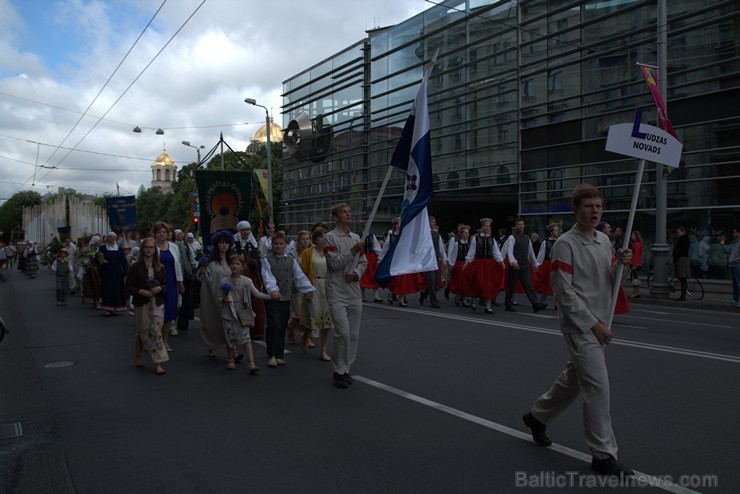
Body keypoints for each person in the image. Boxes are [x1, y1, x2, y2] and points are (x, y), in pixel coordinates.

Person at [522, 183, 634, 477]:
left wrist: (623, 266)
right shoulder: (565, 244)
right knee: (597, 387)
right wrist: (593, 324)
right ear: (576, 210)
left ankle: (537, 416)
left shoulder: (604, 241)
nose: (595, 211)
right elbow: (564, 293)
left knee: (573, 379)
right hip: (579, 325)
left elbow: (609, 280)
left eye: (598, 206)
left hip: (599, 321)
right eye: (588, 206)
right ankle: (603, 454)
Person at [323, 203, 367, 389]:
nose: (349, 214)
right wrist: (353, 251)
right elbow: (334, 264)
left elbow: (363, 263)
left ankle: (346, 368)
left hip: (354, 292)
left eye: (350, 211)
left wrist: (356, 273)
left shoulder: (356, 237)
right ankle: (338, 370)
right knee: (343, 332)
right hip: (336, 291)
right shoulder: (329, 237)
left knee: (354, 334)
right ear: (335, 217)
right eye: (344, 212)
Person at [261, 231, 315, 368]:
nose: (278, 246)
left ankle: (279, 355)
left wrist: (308, 289)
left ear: (285, 244)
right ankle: (271, 354)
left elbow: (299, 276)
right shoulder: (267, 259)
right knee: (274, 325)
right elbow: (267, 276)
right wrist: (273, 290)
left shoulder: (291, 260)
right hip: (272, 297)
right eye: (275, 244)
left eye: (281, 243)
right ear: (272, 245)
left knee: (282, 325)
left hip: (285, 297)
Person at [218, 254, 271, 372]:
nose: (234, 266)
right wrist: (223, 300)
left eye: (238, 264)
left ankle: (251, 363)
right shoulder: (224, 281)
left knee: (246, 338)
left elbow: (256, 293)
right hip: (228, 312)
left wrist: (270, 297)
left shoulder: (246, 281)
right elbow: (218, 299)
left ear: (242, 267)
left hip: (242, 312)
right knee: (230, 338)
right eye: (232, 263)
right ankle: (231, 360)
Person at [125, 237, 168, 375]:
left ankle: (158, 362)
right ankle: (138, 355)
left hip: (157, 304)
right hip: (142, 303)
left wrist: (160, 288)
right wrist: (139, 291)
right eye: (146, 247)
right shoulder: (135, 267)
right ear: (142, 249)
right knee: (142, 330)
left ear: (155, 250)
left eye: (151, 247)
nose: (149, 250)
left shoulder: (160, 267)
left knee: (156, 331)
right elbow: (128, 286)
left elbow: (166, 285)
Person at [197, 230, 235, 360]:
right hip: (212, 295)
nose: (224, 246)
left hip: (228, 296)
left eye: (227, 243)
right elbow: (200, 277)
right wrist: (202, 268)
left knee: (230, 322)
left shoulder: (232, 260)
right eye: (221, 243)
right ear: (216, 244)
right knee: (212, 320)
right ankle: (211, 345)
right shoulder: (209, 260)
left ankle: (232, 349)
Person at [299, 227, 333, 362]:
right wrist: (307, 290)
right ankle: (305, 336)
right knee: (313, 320)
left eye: (326, 236)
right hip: (313, 286)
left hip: (328, 287)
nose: (324, 239)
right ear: (316, 239)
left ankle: (323, 350)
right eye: (321, 236)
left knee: (327, 321)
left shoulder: (331, 252)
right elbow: (302, 273)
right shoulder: (308, 252)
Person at [503, 218, 547, 313]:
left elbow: (530, 253)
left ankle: (535, 304)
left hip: (524, 265)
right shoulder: (512, 237)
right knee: (511, 286)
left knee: (529, 285)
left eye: (522, 224)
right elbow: (509, 251)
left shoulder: (527, 238)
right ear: (516, 226)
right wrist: (513, 262)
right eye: (519, 224)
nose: (521, 226)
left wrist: (535, 263)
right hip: (515, 265)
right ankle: (508, 304)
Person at [153, 222, 184, 348]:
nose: (162, 234)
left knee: (169, 312)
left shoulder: (173, 247)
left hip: (171, 282)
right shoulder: (151, 247)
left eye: (164, 232)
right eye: (159, 232)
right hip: (156, 282)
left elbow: (178, 266)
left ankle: (165, 339)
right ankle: (156, 338)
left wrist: (180, 283)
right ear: (154, 234)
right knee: (157, 312)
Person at [463, 218, 505, 313]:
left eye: (488, 226)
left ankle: (488, 306)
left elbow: (496, 252)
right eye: (485, 226)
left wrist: (501, 262)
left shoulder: (492, 239)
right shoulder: (476, 239)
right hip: (479, 263)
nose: (487, 228)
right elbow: (472, 252)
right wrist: (467, 262)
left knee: (488, 284)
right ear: (482, 227)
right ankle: (474, 299)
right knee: (478, 283)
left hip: (489, 264)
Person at [419, 215, 448, 309]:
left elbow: (440, 248)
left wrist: (444, 260)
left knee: (436, 281)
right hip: (427, 260)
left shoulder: (436, 234)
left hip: (435, 259)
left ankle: (424, 293)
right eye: (432, 222)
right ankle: (433, 301)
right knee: (431, 281)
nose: (434, 223)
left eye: (434, 222)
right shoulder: (422, 234)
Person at [98, 232, 129, 315]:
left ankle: (117, 307)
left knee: (117, 289)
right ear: (107, 238)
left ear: (115, 238)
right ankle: (108, 308)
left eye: (113, 237)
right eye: (110, 237)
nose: (111, 239)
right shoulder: (102, 248)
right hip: (106, 272)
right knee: (108, 289)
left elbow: (123, 261)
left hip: (117, 272)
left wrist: (126, 271)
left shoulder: (119, 249)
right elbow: (98, 260)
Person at [447, 224, 472, 307]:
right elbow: (453, 256)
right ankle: (457, 297)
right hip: (459, 264)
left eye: (468, 233)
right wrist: (451, 266)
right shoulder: (457, 244)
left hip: (467, 264)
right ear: (461, 234)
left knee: (467, 283)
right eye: (465, 233)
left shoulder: (470, 244)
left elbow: (471, 255)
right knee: (459, 282)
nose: (467, 235)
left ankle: (465, 299)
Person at [359, 221, 383, 303]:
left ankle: (376, 296)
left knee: (373, 277)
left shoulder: (372, 236)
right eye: (364, 226)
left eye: (367, 226)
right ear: (362, 227)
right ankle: (362, 295)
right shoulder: (358, 236)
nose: (366, 228)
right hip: (362, 257)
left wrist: (380, 258)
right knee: (363, 277)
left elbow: (377, 248)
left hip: (371, 258)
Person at [672, 226, 691, 301]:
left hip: (681, 259)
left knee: (683, 278)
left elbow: (678, 250)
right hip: (683, 259)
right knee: (683, 279)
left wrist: (675, 258)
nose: (678, 234)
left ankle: (683, 296)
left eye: (679, 232)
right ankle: (683, 295)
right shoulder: (685, 239)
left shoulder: (682, 239)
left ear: (683, 232)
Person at [725, 227, 740, 308]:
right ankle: (735, 299)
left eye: (735, 232)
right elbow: (728, 251)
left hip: (737, 265)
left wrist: (735, 260)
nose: (733, 234)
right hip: (732, 265)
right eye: (733, 232)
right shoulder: (733, 242)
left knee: (739, 284)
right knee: (734, 284)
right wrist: (723, 244)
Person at [628, 230, 644, 298]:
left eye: (632, 235)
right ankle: (637, 292)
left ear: (636, 236)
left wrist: (634, 265)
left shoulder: (637, 244)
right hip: (637, 263)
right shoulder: (637, 244)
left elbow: (636, 255)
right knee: (635, 278)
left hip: (636, 264)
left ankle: (636, 292)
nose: (631, 236)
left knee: (634, 278)